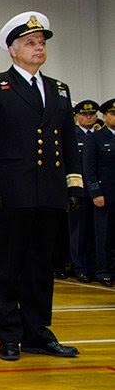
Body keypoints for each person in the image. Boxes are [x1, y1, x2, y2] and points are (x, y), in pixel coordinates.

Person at [0, 11, 82, 361]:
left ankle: (37, 331)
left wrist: (73, 183)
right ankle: (9, 335)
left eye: (41, 42)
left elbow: (67, 140)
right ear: (12, 50)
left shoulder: (58, 89)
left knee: (41, 266)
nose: (38, 48)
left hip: (48, 191)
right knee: (8, 266)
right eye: (30, 43)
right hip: (11, 192)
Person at [84, 97, 115, 288]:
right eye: (113, 113)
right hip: (106, 193)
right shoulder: (95, 137)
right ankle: (103, 270)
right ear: (104, 116)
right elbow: (89, 168)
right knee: (104, 235)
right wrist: (96, 192)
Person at [71, 100, 99, 283]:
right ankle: (79, 266)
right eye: (83, 114)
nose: (87, 117)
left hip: (97, 191)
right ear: (76, 116)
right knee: (78, 231)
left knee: (95, 232)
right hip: (78, 190)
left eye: (91, 115)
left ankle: (93, 265)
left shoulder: (99, 135)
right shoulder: (72, 136)